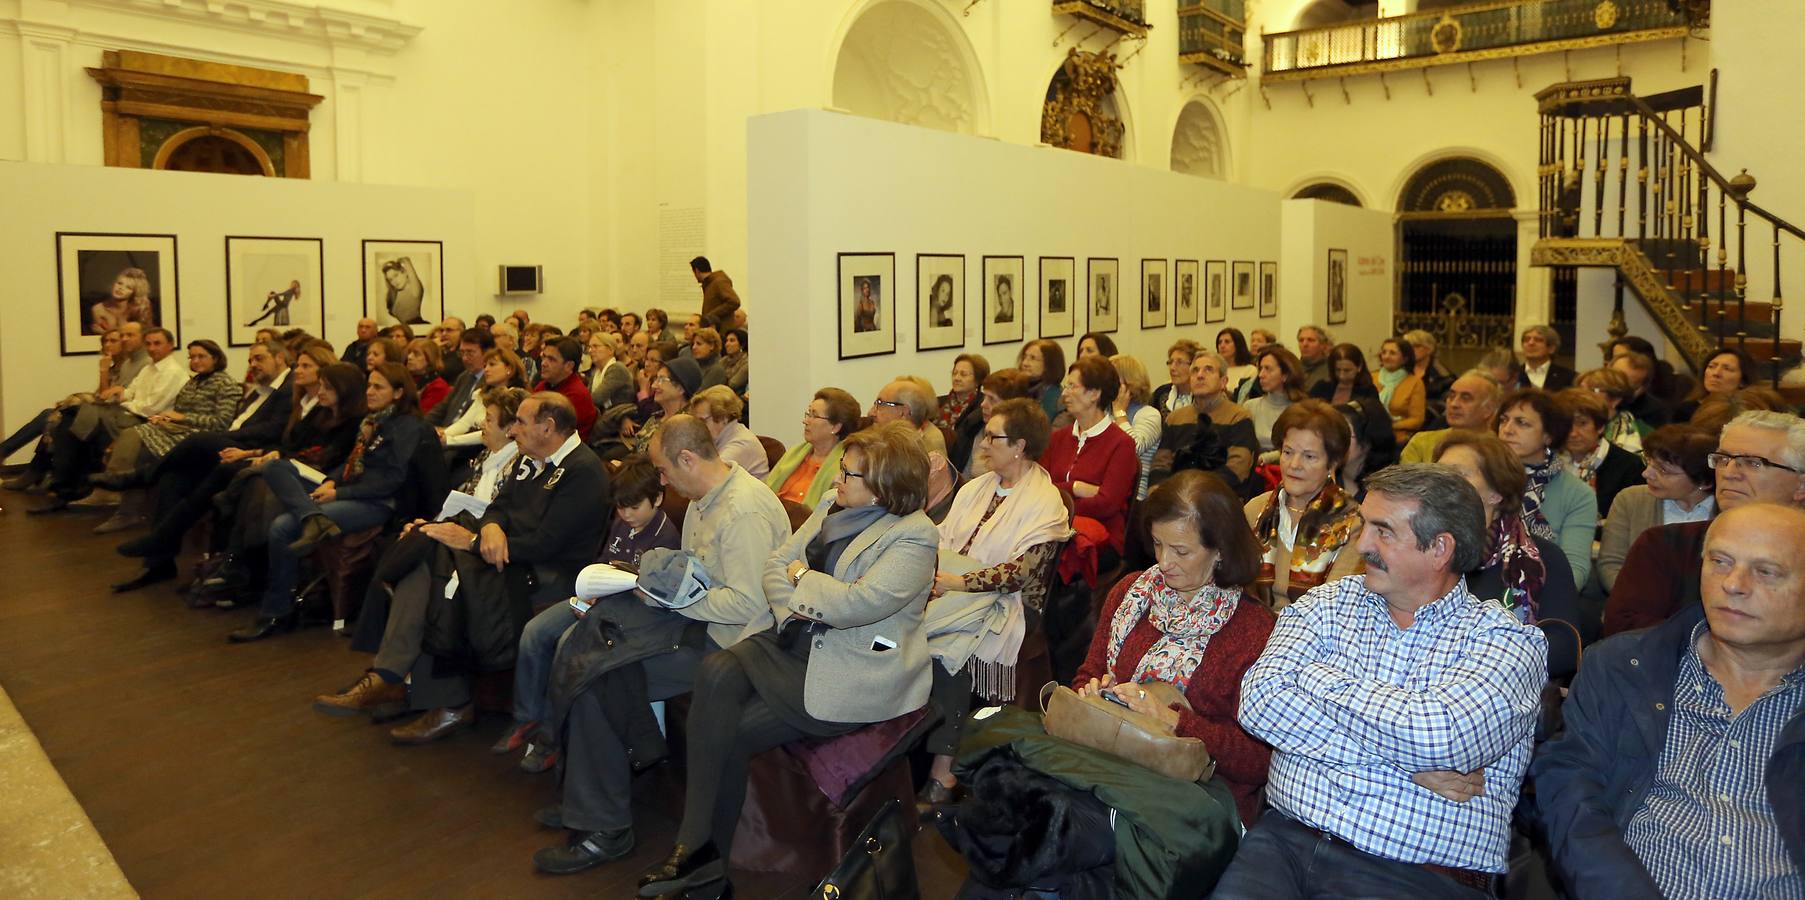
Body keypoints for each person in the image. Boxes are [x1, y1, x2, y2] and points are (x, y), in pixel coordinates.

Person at [1218, 465, 1549, 899]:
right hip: (1284, 843)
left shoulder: (1504, 641)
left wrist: (1316, 678)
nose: (1361, 544)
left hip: (1415, 873)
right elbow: (1260, 704)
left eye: (1383, 532)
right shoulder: (1328, 602)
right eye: (1364, 525)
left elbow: (1440, 739)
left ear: (1440, 549)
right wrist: (1407, 765)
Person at [635, 422, 936, 897]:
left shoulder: (914, 537)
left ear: (882, 488)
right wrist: (797, 595)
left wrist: (802, 579)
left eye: (849, 474)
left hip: (854, 668)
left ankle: (704, 863)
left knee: (733, 732)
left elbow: (855, 605)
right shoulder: (832, 505)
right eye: (841, 468)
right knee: (716, 670)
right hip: (796, 639)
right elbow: (775, 565)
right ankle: (695, 848)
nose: (836, 479)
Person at [531, 416, 788, 875]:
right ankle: (586, 799)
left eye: (664, 470)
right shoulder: (704, 499)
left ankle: (606, 829)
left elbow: (748, 604)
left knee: (603, 678)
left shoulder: (743, 512)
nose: (662, 481)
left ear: (687, 459)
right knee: (589, 645)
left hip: (733, 644)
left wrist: (669, 597)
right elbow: (693, 569)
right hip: (696, 621)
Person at [1533, 503, 1805, 900]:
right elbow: (1570, 791)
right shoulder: (1623, 667)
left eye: (1766, 571)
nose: (1733, 584)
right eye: (1720, 562)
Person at [312, 390, 607, 742]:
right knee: (426, 555)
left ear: (547, 427)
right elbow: (499, 507)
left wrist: (473, 542)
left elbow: (548, 545)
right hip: (508, 555)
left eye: (520, 422)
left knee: (443, 576)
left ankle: (436, 697)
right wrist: (491, 528)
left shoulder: (583, 471)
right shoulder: (531, 459)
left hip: (548, 574)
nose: (513, 430)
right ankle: (396, 679)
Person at [1076, 470, 1276, 823]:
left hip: (1196, 802)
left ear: (1220, 550)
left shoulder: (1255, 631)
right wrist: (1093, 693)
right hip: (1113, 768)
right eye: (1157, 544)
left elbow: (1258, 760)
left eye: (1181, 551)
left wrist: (1171, 720)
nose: (1164, 562)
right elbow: (1088, 673)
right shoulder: (1131, 593)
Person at [918, 399, 1071, 802]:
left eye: (993, 437)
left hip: (1011, 604)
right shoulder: (976, 488)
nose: (983, 444)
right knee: (902, 634)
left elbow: (1021, 572)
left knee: (950, 652)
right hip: (952, 589)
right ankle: (906, 749)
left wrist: (960, 581)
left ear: (1020, 446)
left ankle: (943, 772)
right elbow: (941, 538)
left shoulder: (1044, 500)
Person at [493, 454, 678, 774]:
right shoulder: (622, 522)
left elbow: (652, 598)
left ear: (658, 499)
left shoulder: (666, 538)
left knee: (567, 644)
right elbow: (605, 562)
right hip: (595, 600)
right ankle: (526, 718)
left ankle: (552, 737)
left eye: (634, 507)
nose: (626, 515)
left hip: (623, 614)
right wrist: (591, 591)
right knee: (535, 631)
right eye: (620, 508)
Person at [113, 350, 351, 593]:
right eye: (250, 359)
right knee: (174, 478)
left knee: (206, 447)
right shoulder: (297, 400)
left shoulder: (296, 397)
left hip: (280, 463)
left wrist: (248, 451)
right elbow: (287, 443)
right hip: (263, 454)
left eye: (305, 366)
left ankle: (145, 486)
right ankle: (160, 559)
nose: (297, 370)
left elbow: (290, 443)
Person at [229, 363, 430, 643]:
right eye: (369, 385)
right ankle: (312, 517)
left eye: (378, 387)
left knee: (282, 526)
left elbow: (391, 481)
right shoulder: (373, 420)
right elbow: (350, 463)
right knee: (276, 467)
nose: (369, 391)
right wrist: (331, 482)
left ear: (398, 393)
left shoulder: (408, 426)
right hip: (348, 489)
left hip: (377, 502)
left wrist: (339, 494)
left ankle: (276, 612)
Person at [1606, 411, 1805, 635]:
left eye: (1752, 463)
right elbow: (1624, 629)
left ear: (1801, 485)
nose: (1729, 473)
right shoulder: (1663, 545)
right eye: (1723, 460)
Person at [1435, 431, 1583, 634]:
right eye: (1438, 473)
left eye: (1458, 474)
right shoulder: (1419, 548)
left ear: (1496, 493)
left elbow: (1562, 642)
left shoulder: (1546, 558)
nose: (1441, 482)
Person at [88, 339, 241, 533]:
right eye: (192, 357)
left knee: (139, 449)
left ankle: (123, 503)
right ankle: (120, 494)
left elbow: (221, 422)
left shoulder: (226, 384)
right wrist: (165, 419)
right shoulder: (193, 382)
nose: (195, 361)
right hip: (178, 430)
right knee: (132, 434)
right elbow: (179, 412)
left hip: (201, 437)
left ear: (216, 358)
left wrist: (184, 418)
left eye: (201, 356)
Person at [29, 328, 187, 513]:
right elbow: (128, 392)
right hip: (128, 413)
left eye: (157, 343)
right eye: (149, 344)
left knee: (78, 419)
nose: (152, 348)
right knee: (73, 417)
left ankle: (63, 487)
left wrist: (125, 400)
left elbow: (150, 407)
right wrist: (122, 394)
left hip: (146, 420)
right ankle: (66, 487)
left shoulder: (172, 372)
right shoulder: (148, 369)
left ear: (170, 346)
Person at [1245, 400, 1364, 609]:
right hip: (1254, 623)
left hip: (1317, 626)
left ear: (1333, 463)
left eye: (1309, 456)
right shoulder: (1255, 510)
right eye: (1287, 452)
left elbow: (1337, 607)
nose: (1294, 465)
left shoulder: (1353, 522)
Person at [1492, 388, 1598, 586]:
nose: (1507, 429)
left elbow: (1574, 571)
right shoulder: (1483, 478)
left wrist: (1530, 597)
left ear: (1549, 435)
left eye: (1522, 423)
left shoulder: (1577, 494)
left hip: (1542, 593)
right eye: (1503, 420)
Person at [1596, 425, 1717, 592]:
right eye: (1648, 462)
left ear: (1703, 481)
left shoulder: (1728, 512)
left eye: (1663, 470)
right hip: (1637, 602)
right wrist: (1639, 599)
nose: (1646, 474)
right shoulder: (1631, 500)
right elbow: (1611, 565)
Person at [1041, 357, 1137, 566]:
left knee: (1045, 562)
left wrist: (1058, 504)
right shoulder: (1057, 438)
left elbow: (1107, 504)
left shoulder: (1121, 444)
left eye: (1072, 386)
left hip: (1100, 537)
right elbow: (1040, 488)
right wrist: (1075, 488)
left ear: (1095, 394)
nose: (1065, 393)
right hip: (1053, 529)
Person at [1152, 350, 1259, 497]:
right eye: (1195, 371)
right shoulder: (1174, 418)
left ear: (1223, 382)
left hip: (1218, 497)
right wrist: (1158, 491)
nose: (1200, 375)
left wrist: (1194, 493)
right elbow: (1160, 464)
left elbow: (1237, 470)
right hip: (1176, 495)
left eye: (1208, 370)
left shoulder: (1238, 417)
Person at [871, 377, 957, 518]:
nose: (872, 412)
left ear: (903, 412)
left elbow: (902, 515)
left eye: (881, 404)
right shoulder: (883, 448)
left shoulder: (930, 461)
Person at [766, 388, 860, 509]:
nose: (805, 421)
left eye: (814, 416)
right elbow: (765, 490)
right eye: (808, 414)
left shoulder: (845, 465)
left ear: (835, 427)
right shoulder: (795, 452)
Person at [1560, 387, 1644, 519]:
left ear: (1600, 427)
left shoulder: (1629, 466)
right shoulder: (1546, 461)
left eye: (1582, 423)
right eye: (1565, 424)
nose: (1573, 433)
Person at [1400, 370, 1502, 464]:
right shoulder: (1421, 443)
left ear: (1488, 409)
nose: (1454, 404)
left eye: (1466, 398)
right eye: (1451, 396)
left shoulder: (1501, 451)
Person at [440, 347, 529, 448]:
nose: (486, 369)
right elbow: (464, 423)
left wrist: (450, 441)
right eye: (485, 365)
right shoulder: (482, 394)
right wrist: (442, 435)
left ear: (509, 369)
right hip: (469, 446)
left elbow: (492, 432)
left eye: (492, 364)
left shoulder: (516, 399)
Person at [957, 368, 1033, 477]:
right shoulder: (974, 425)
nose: (983, 404)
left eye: (992, 399)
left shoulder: (1024, 438)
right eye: (984, 397)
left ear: (1012, 405)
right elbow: (962, 472)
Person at [1108, 355, 1162, 500]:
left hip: (1134, 495)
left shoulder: (1149, 414)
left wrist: (1120, 412)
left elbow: (1133, 448)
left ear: (1129, 383)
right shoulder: (1105, 413)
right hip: (1105, 487)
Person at [690, 386, 767, 477]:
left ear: (723, 418)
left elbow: (707, 477)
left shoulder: (741, 444)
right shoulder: (721, 438)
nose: (697, 427)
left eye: (703, 421)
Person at [534, 337, 598, 441]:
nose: (543, 363)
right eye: (544, 357)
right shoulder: (543, 386)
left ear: (569, 366)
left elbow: (551, 433)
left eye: (551, 359)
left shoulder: (576, 395)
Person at [1248, 345, 1307, 455]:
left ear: (1285, 375)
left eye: (1268, 369)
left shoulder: (1302, 410)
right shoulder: (1250, 406)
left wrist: (1268, 457)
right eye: (1260, 369)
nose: (1261, 375)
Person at [1674, 345, 1756, 422]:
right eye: (1711, 366)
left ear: (1742, 381)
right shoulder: (1685, 411)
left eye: (1727, 369)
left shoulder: (1750, 414)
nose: (1716, 373)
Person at [1578, 365, 1647, 454]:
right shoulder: (1569, 422)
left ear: (1615, 399)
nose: (1581, 395)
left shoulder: (1640, 431)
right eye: (1580, 389)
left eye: (1592, 390)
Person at [1373, 336, 1427, 444]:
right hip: (1369, 434)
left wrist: (1390, 426)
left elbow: (1417, 420)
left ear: (1405, 359)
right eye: (1384, 352)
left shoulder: (1415, 383)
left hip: (1397, 438)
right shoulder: (1372, 377)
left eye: (1392, 353)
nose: (1386, 357)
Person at [1405, 328, 1456, 424]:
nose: (1410, 350)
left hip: (1429, 420)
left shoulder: (1443, 376)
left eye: (1416, 346)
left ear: (1429, 349)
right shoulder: (1401, 370)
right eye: (1408, 346)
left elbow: (1444, 404)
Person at [1612, 349, 1672, 428]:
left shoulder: (1655, 411)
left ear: (1643, 388)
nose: (1618, 386)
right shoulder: (1596, 398)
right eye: (1615, 377)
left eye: (1628, 383)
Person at [1308, 342, 1378, 409]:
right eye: (1338, 370)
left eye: (1347, 370)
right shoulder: (1321, 387)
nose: (1341, 376)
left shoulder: (1368, 391)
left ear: (1359, 367)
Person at [89, 266, 154, 333]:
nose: (121, 288)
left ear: (134, 293)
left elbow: (147, 334)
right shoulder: (98, 309)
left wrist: (105, 332)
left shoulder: (140, 308)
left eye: (128, 287)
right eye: (119, 283)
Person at [936, 353, 988, 436]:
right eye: (954, 373)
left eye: (963, 374)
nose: (957, 378)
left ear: (978, 380)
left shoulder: (982, 408)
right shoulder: (938, 403)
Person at [585, 331, 634, 412]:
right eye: (589, 347)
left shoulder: (617, 369)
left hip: (618, 416)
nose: (590, 350)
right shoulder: (596, 372)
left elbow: (597, 398)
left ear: (610, 350)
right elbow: (588, 397)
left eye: (595, 346)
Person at [1018, 339, 1065, 422]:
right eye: (1024, 357)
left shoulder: (1059, 400)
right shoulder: (1017, 389)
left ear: (1048, 364)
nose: (1024, 363)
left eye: (1033, 358)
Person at [1150, 339, 1202, 415]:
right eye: (1170, 362)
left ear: (1194, 367)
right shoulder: (1160, 394)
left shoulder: (1203, 396)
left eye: (1179, 362)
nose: (1172, 368)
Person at [1520, 324, 1576, 391]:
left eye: (1538, 340)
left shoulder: (1570, 377)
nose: (1531, 343)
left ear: (1551, 349)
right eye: (1526, 340)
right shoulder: (1513, 375)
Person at [691, 256, 742, 325]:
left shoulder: (719, 282)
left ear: (697, 271)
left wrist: (711, 315)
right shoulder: (709, 284)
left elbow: (734, 302)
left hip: (721, 328)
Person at [404, 338, 449, 414]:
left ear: (430, 359)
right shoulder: (407, 378)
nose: (409, 357)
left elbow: (422, 415)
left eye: (416, 354)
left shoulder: (438, 386)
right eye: (409, 353)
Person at [380, 257, 426, 324]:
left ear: (405, 272)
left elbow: (406, 260)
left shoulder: (414, 290)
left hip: (418, 326)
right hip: (403, 328)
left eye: (396, 275)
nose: (394, 281)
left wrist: (403, 261)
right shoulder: (394, 295)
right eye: (391, 279)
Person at [1217, 327, 1257, 398]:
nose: (1222, 346)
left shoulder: (1250, 370)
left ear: (1238, 345)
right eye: (1219, 342)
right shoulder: (1216, 370)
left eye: (1227, 342)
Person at [1294, 325, 1332, 392]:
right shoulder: (1293, 368)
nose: (1304, 344)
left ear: (1323, 345)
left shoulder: (1331, 370)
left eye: (1310, 340)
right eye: (1301, 340)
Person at [719, 328, 749, 395]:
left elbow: (732, 385)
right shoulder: (724, 360)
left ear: (742, 345)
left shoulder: (746, 363)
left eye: (732, 341)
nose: (727, 344)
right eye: (726, 341)